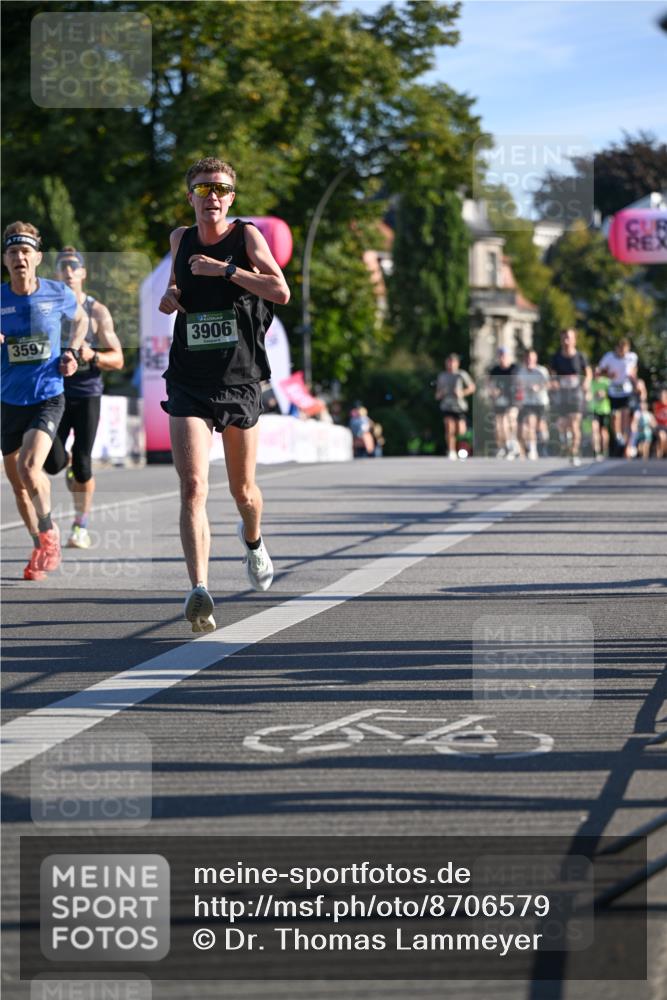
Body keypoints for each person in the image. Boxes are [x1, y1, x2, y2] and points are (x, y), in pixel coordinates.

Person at [158, 156, 290, 633]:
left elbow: (280, 291)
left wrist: (226, 270)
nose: (211, 196)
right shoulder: (179, 239)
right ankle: (200, 591)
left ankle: (253, 541)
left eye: (220, 188)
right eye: (202, 188)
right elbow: (176, 286)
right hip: (189, 378)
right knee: (193, 486)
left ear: (231, 197)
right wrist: (171, 295)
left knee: (243, 492)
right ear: (190, 195)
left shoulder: (246, 237)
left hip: (239, 378)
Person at [1, 222, 87, 579]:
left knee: (28, 470)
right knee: (19, 487)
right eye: (12, 252)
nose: (20, 257)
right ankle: (39, 542)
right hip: (7, 400)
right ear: (5, 260)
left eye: (25, 251)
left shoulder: (56, 292)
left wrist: (72, 352)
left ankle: (49, 532)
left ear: (36, 257)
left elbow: (80, 319)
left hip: (47, 395)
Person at [43, 247, 124, 548]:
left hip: (87, 393)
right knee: (51, 463)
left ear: (83, 273)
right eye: (62, 266)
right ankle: (68, 466)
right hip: (54, 393)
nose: (68, 271)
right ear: (55, 273)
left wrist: (93, 356)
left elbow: (118, 359)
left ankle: (80, 526)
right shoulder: (47, 308)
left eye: (73, 266)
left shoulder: (96, 310)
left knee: (85, 462)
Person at [549, 328, 591, 466]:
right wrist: (554, 382)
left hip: (576, 394)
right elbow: (552, 374)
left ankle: (574, 452)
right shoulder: (556, 357)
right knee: (562, 424)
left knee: (574, 424)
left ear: (574, 339)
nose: (566, 340)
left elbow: (588, 373)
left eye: (569, 337)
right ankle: (565, 439)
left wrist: (586, 383)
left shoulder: (580, 356)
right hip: (562, 394)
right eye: (564, 338)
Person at [597, 338, 639, 457]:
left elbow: (633, 370)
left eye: (625, 351)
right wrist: (609, 374)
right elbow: (599, 371)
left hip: (626, 390)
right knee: (615, 416)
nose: (623, 354)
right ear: (616, 349)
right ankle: (618, 436)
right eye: (621, 351)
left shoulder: (632, 357)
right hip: (613, 390)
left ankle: (627, 442)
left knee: (626, 414)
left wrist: (635, 381)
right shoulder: (609, 357)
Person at [435, 353, 475, 460]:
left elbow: (472, 387)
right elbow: (437, 393)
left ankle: (462, 450)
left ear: (457, 363)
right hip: (447, 406)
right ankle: (451, 451)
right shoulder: (442, 376)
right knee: (449, 428)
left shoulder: (461, 374)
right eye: (449, 362)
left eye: (453, 362)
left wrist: (462, 392)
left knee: (461, 431)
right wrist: (440, 394)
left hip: (459, 406)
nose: (450, 364)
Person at [515, 349, 549, 460]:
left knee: (540, 428)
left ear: (535, 359)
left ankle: (543, 442)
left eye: (531, 358)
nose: (529, 360)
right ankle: (532, 449)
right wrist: (519, 400)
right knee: (529, 424)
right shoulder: (521, 372)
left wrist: (538, 387)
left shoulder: (541, 371)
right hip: (527, 402)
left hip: (540, 401)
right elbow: (518, 388)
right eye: (527, 358)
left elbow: (548, 384)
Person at [487, 347, 519, 459]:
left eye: (504, 356)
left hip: (512, 400)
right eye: (500, 356)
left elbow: (520, 383)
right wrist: (493, 391)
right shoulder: (495, 370)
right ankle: (502, 446)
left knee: (508, 421)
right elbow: (489, 384)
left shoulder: (514, 368)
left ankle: (512, 445)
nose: (502, 358)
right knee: (498, 426)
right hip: (499, 401)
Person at [587, 369, 611, 460]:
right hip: (593, 410)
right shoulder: (590, 383)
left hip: (604, 410)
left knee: (603, 431)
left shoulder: (607, 382)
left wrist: (605, 394)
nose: (596, 375)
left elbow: (612, 394)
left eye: (598, 373)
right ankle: (596, 451)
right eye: (594, 373)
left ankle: (604, 450)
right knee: (594, 429)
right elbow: (587, 395)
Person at [652, 387, 667, 458]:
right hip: (659, 427)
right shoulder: (656, 405)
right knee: (662, 436)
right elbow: (653, 417)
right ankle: (660, 453)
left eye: (664, 395)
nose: (662, 397)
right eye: (661, 396)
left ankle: (663, 451)